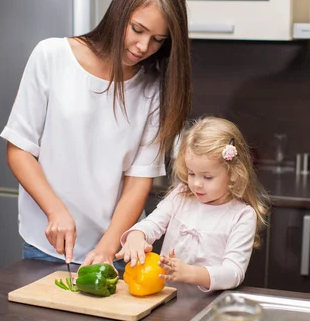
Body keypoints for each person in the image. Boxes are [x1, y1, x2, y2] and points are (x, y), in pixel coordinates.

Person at [0, 0, 192, 270]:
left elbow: (138, 181)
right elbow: (19, 150)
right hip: (48, 246)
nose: (143, 46)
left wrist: (107, 247)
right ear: (119, 14)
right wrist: (55, 211)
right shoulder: (51, 56)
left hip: (116, 250)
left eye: (157, 40)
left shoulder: (154, 88)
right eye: (137, 30)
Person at [116, 116, 271, 291]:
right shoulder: (182, 195)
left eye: (207, 177)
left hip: (209, 305)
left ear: (234, 173)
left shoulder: (242, 215)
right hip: (167, 298)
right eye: (191, 174)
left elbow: (233, 273)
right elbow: (153, 223)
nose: (197, 184)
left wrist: (189, 273)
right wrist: (137, 235)